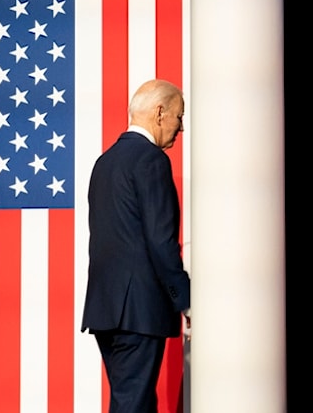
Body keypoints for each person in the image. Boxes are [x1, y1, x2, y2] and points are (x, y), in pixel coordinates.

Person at [81, 79, 191, 413]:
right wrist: (185, 299)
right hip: (138, 312)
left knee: (136, 403)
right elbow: (160, 240)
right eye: (178, 117)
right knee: (133, 405)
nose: (180, 128)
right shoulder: (151, 160)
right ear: (160, 113)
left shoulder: (105, 162)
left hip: (106, 310)